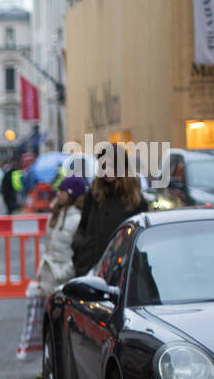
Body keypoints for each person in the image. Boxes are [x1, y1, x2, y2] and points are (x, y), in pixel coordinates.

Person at [17, 175, 86, 360]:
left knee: (63, 326)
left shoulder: (77, 219)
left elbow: (77, 254)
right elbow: (48, 247)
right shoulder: (55, 214)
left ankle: (60, 363)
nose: (58, 193)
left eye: (62, 190)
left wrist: (64, 273)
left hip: (63, 280)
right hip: (48, 277)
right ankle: (49, 362)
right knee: (49, 325)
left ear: (71, 194)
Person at [72, 145, 145, 276]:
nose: (107, 170)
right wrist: (81, 249)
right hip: (91, 267)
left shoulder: (134, 199)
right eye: (103, 166)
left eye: (111, 165)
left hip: (124, 269)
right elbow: (83, 227)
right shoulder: (94, 194)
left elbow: (142, 237)